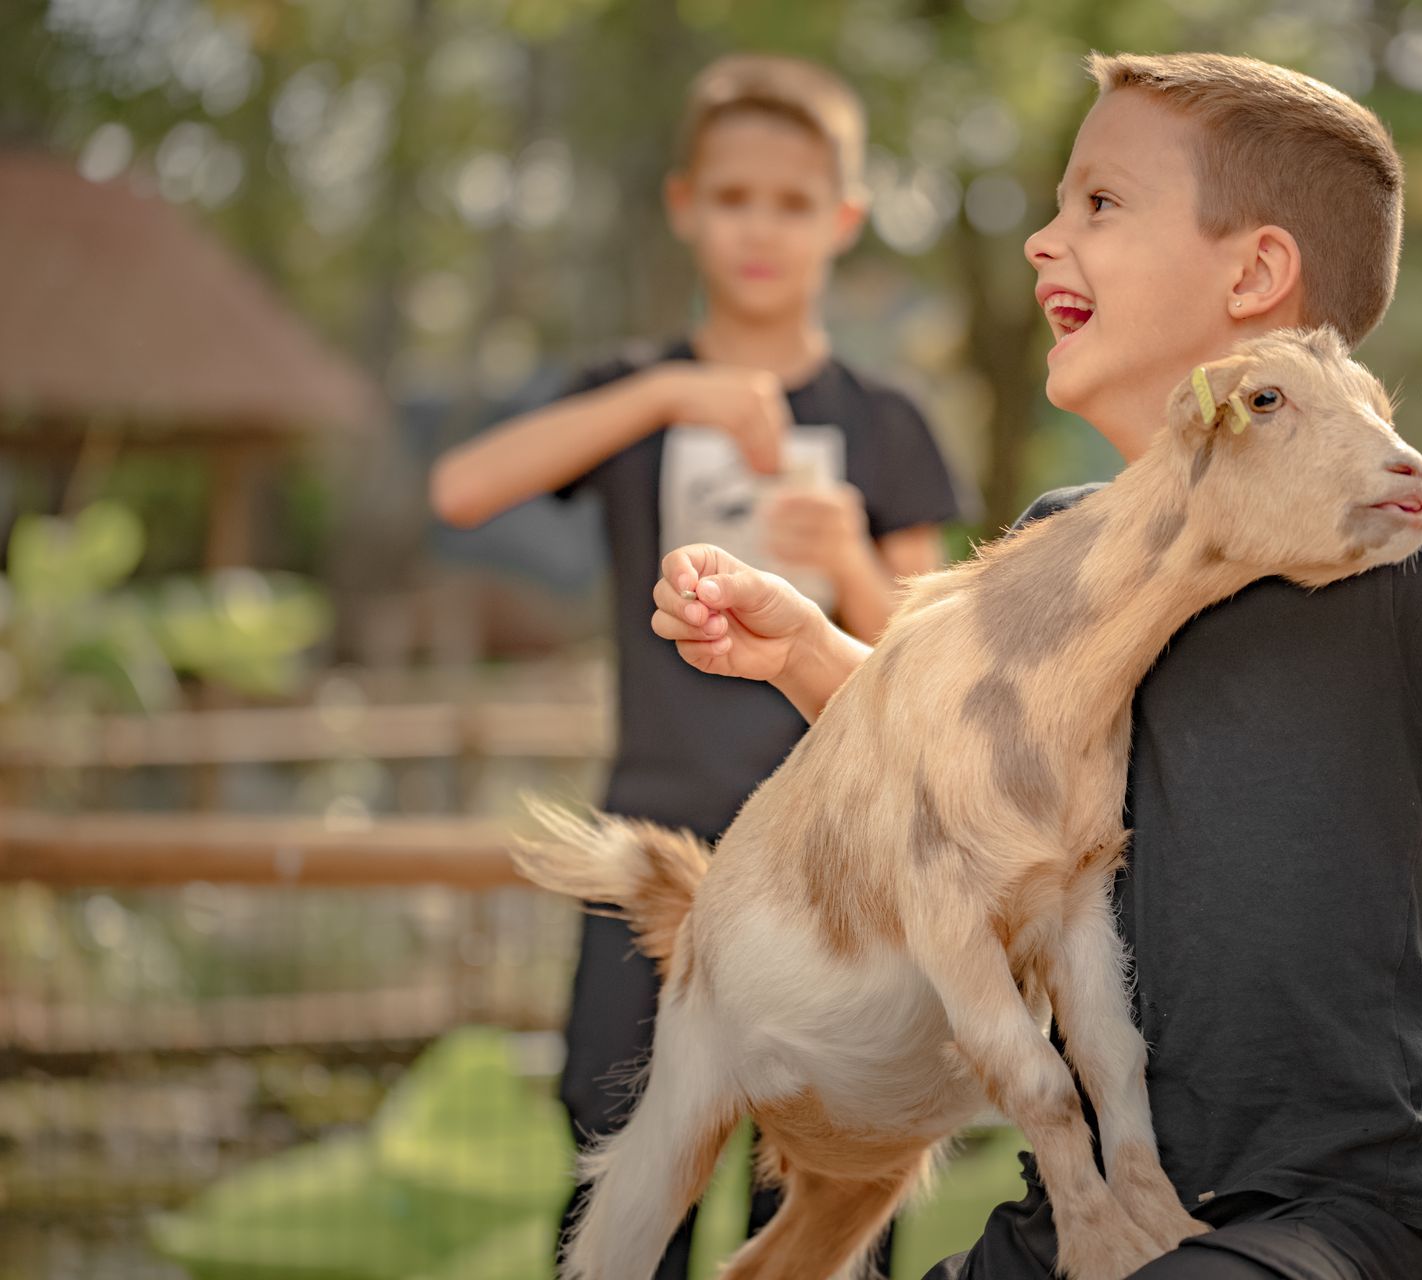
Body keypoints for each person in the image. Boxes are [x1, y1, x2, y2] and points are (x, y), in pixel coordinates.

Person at [645, 51, 1422, 1279]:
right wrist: (811, 653)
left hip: (1327, 1225)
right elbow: (957, 770)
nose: (1041, 239)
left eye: (1100, 205)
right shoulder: (1065, 537)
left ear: (1256, 276)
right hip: (1083, 1217)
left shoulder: (1412, 563)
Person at [430, 53, 966, 1277]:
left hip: (842, 865)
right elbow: (462, 489)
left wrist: (851, 560)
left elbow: (925, 668)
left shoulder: (887, 421)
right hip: (648, 848)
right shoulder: (632, 396)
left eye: (791, 202)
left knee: (840, 1190)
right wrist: (675, 389)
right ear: (686, 207)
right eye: (733, 197)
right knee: (622, 1180)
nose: (759, 228)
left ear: (840, 219)